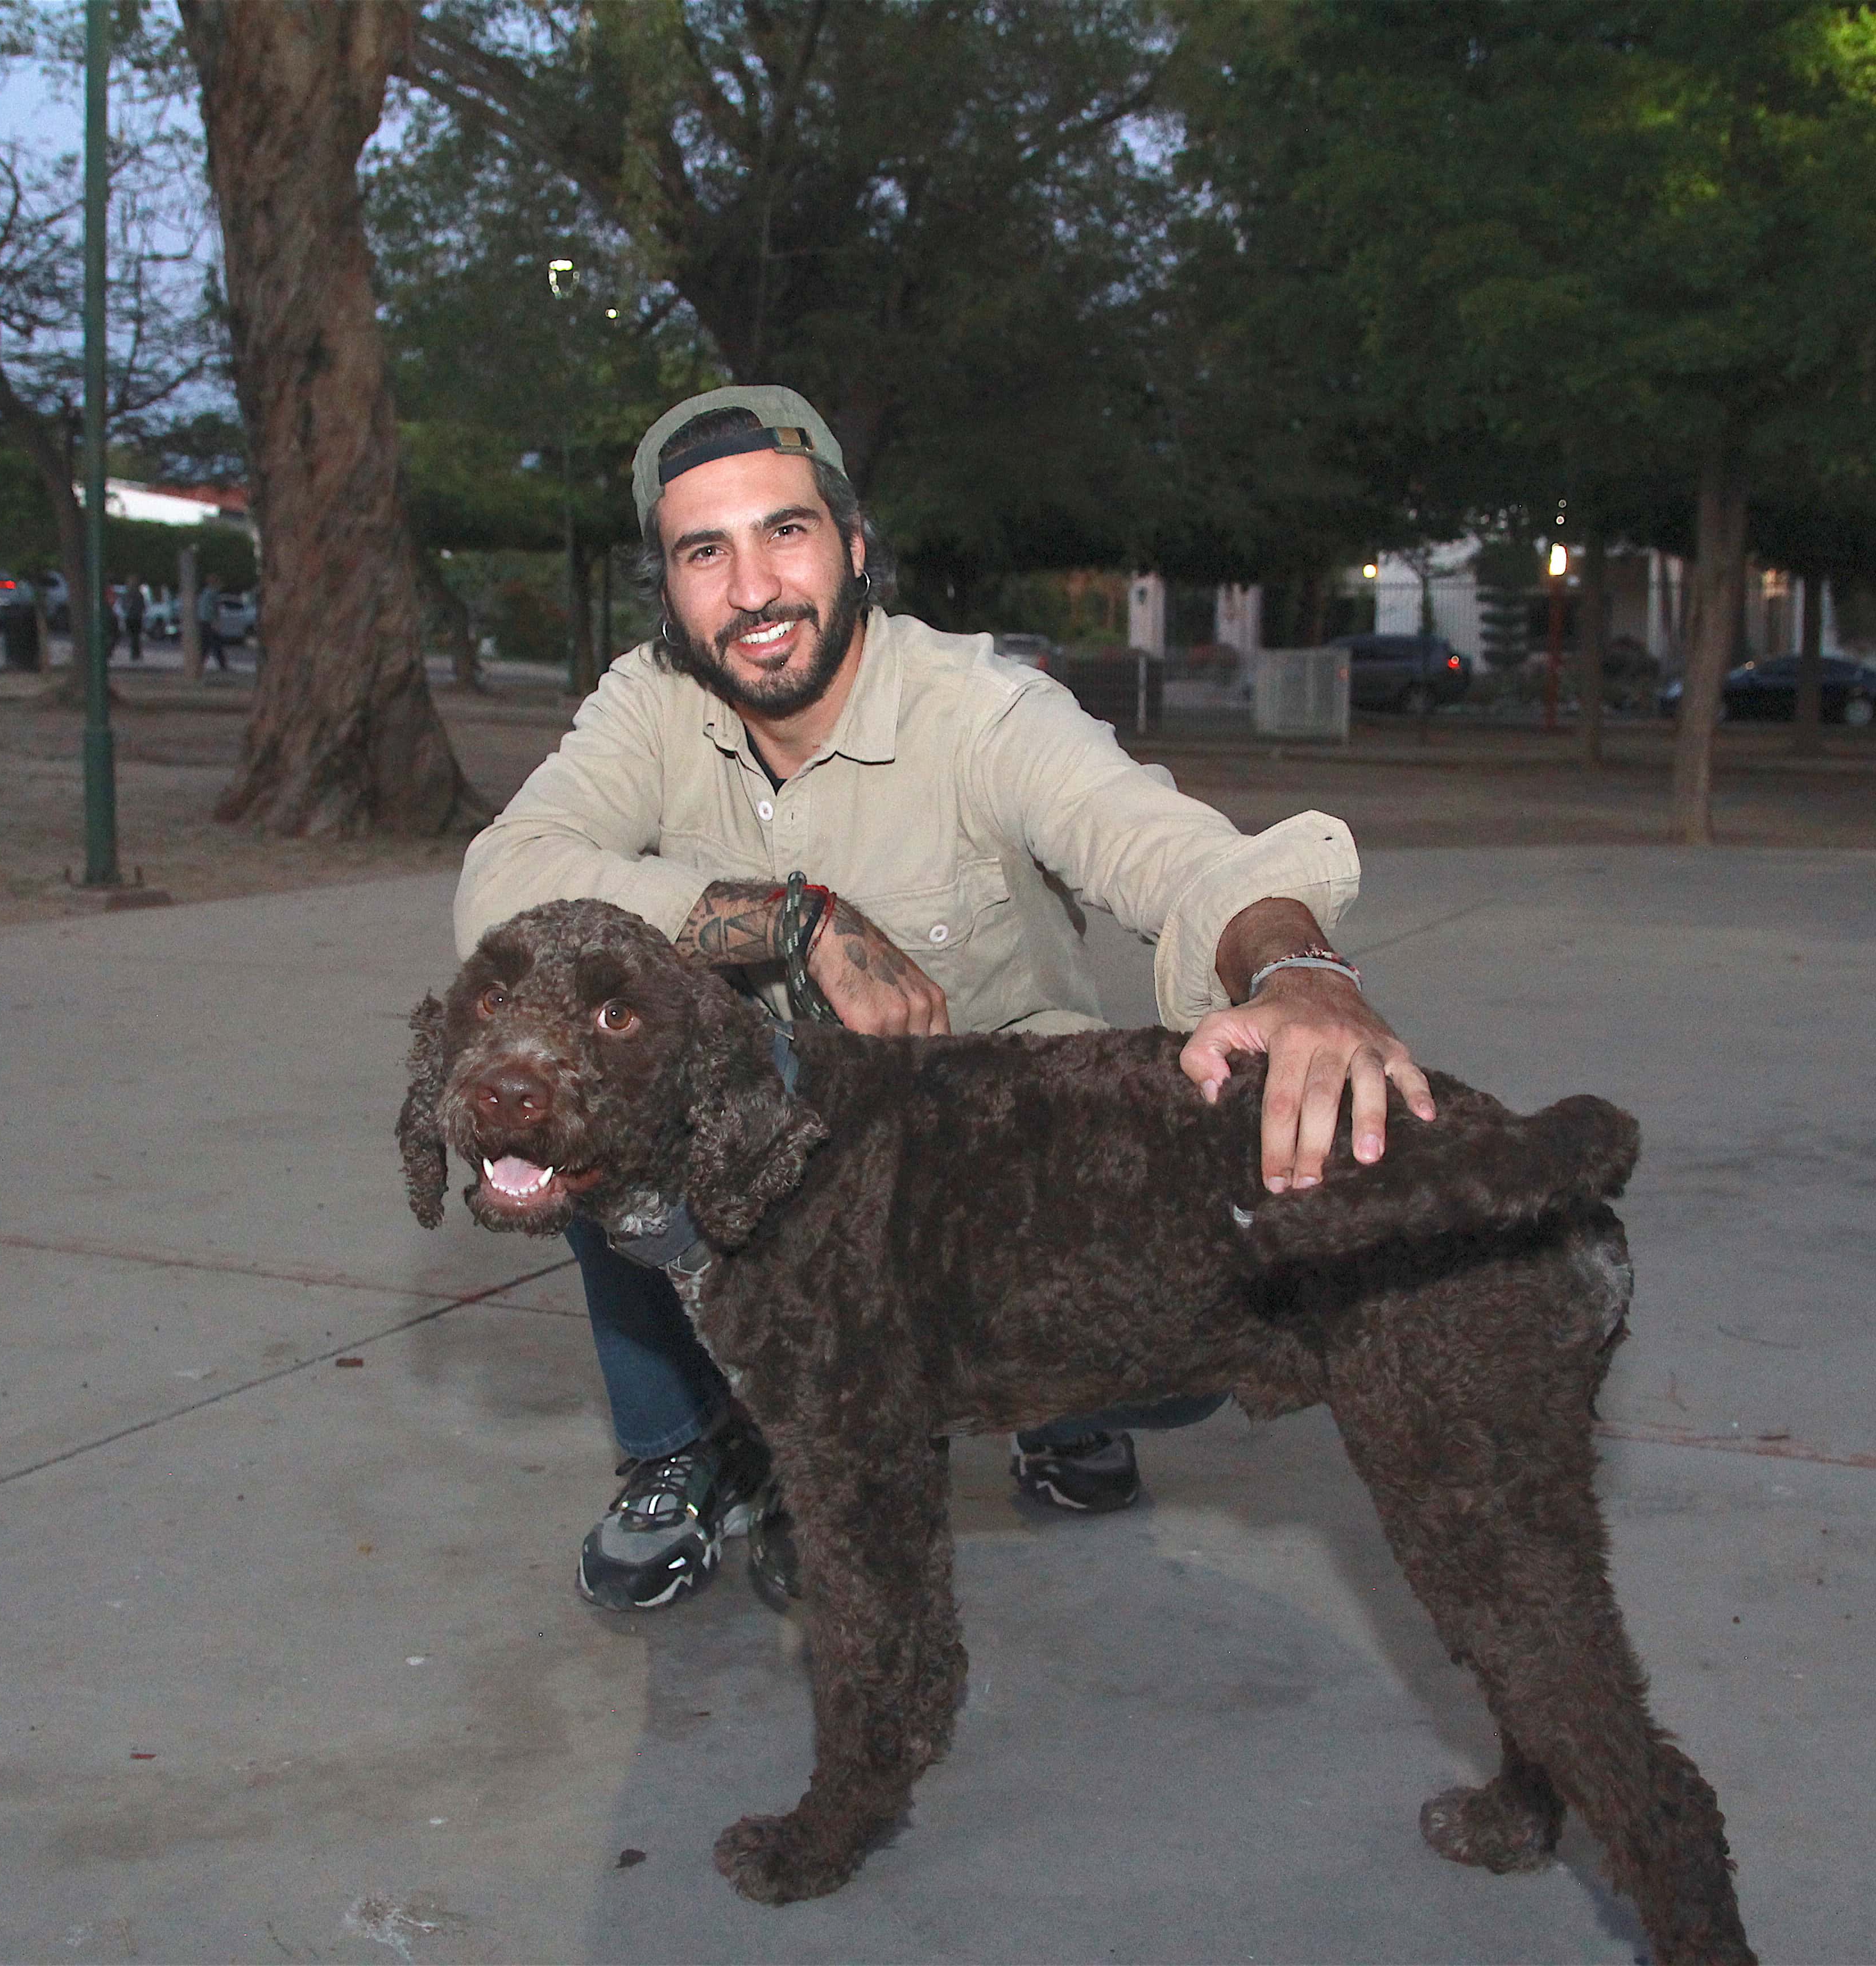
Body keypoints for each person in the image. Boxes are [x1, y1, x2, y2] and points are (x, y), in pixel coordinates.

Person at [453, 383, 1433, 1612]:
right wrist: (796, 918)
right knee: (604, 1091)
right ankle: (687, 1453)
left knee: (1178, 1329)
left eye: (787, 533)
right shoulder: (647, 705)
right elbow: (507, 882)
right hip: (761, 1146)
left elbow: (1168, 848)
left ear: (857, 549)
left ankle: (1040, 1395)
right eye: (705, 551)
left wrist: (1296, 970)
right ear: (669, 585)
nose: (753, 588)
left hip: (986, 1154)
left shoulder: (979, 705)